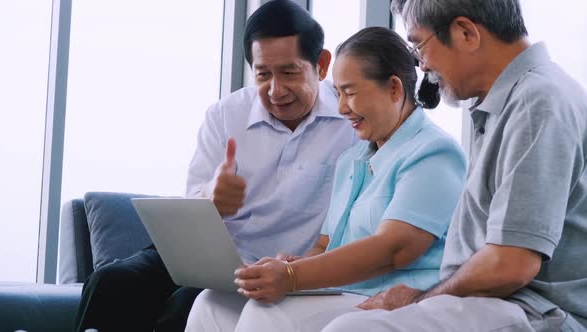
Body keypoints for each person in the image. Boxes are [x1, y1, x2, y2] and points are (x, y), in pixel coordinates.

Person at [73, 1, 357, 331]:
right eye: (263, 75)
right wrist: (211, 197)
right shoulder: (225, 115)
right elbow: (190, 208)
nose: (276, 90)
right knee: (110, 282)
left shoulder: (350, 118)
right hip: (211, 259)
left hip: (282, 270)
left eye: (289, 73)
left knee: (187, 304)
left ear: (321, 65)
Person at [321, 0, 587, 331]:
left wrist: (420, 300)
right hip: (495, 304)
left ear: (465, 33)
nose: (420, 64)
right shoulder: (509, 103)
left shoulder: (538, 103)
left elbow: (510, 265)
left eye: (419, 44)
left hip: (536, 313)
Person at [185, 26, 467, 332]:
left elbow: (395, 248)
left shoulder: (434, 151)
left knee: (271, 315)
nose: (342, 107)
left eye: (350, 92)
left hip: (390, 299)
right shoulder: (352, 160)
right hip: (342, 293)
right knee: (212, 304)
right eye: (340, 93)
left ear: (394, 89)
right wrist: (294, 264)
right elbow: (325, 243)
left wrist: (293, 277)